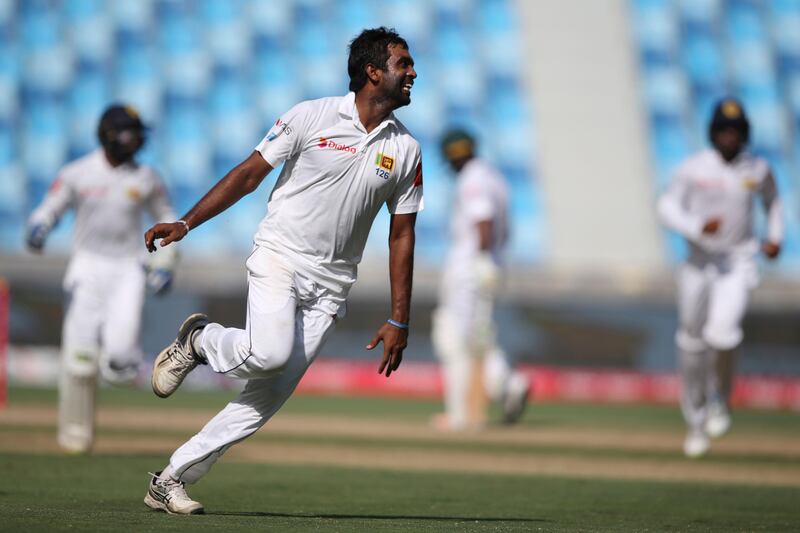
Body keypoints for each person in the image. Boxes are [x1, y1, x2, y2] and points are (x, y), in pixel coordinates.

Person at [141, 27, 422, 515]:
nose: (413, 72)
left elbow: (402, 235)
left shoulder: (406, 150)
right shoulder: (310, 115)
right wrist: (188, 221)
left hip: (332, 287)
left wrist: (400, 318)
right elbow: (250, 173)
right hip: (280, 256)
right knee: (268, 355)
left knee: (264, 399)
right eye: (403, 63)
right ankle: (201, 341)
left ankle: (170, 479)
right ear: (373, 72)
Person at [26, 104, 178, 454]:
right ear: (110, 135)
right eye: (131, 132)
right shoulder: (78, 172)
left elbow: (167, 217)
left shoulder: (146, 178)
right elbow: (52, 205)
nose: (138, 139)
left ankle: (103, 390)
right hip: (87, 266)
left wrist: (166, 263)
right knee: (79, 358)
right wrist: (41, 224)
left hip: (128, 269)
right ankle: (75, 433)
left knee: (120, 360)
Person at [657, 98, 783, 458]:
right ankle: (695, 423)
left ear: (744, 134)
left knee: (723, 335)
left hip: (738, 263)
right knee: (691, 342)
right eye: (724, 131)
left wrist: (775, 237)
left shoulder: (756, 169)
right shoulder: (694, 168)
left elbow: (773, 202)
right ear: (712, 132)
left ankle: (720, 401)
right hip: (698, 264)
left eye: (736, 131)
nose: (730, 137)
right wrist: (696, 227)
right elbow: (666, 207)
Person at [431, 129, 530, 432]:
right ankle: (508, 383)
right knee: (480, 338)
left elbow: (483, 220)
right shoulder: (494, 177)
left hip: (470, 270)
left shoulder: (472, 179)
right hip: (489, 267)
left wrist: (482, 259)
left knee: (455, 338)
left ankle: (462, 414)